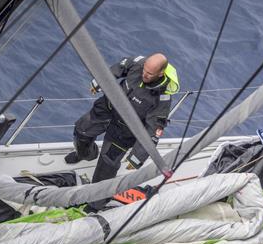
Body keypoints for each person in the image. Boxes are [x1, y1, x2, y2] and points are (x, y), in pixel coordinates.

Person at [65, 53, 180, 183]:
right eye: (144, 70)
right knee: (82, 131)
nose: (144, 74)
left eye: (149, 74)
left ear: (160, 74)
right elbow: (117, 68)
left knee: (107, 163)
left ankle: (96, 201)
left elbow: (153, 131)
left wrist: (137, 157)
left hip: (124, 130)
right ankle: (86, 155)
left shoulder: (162, 99)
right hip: (108, 108)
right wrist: (98, 83)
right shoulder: (138, 62)